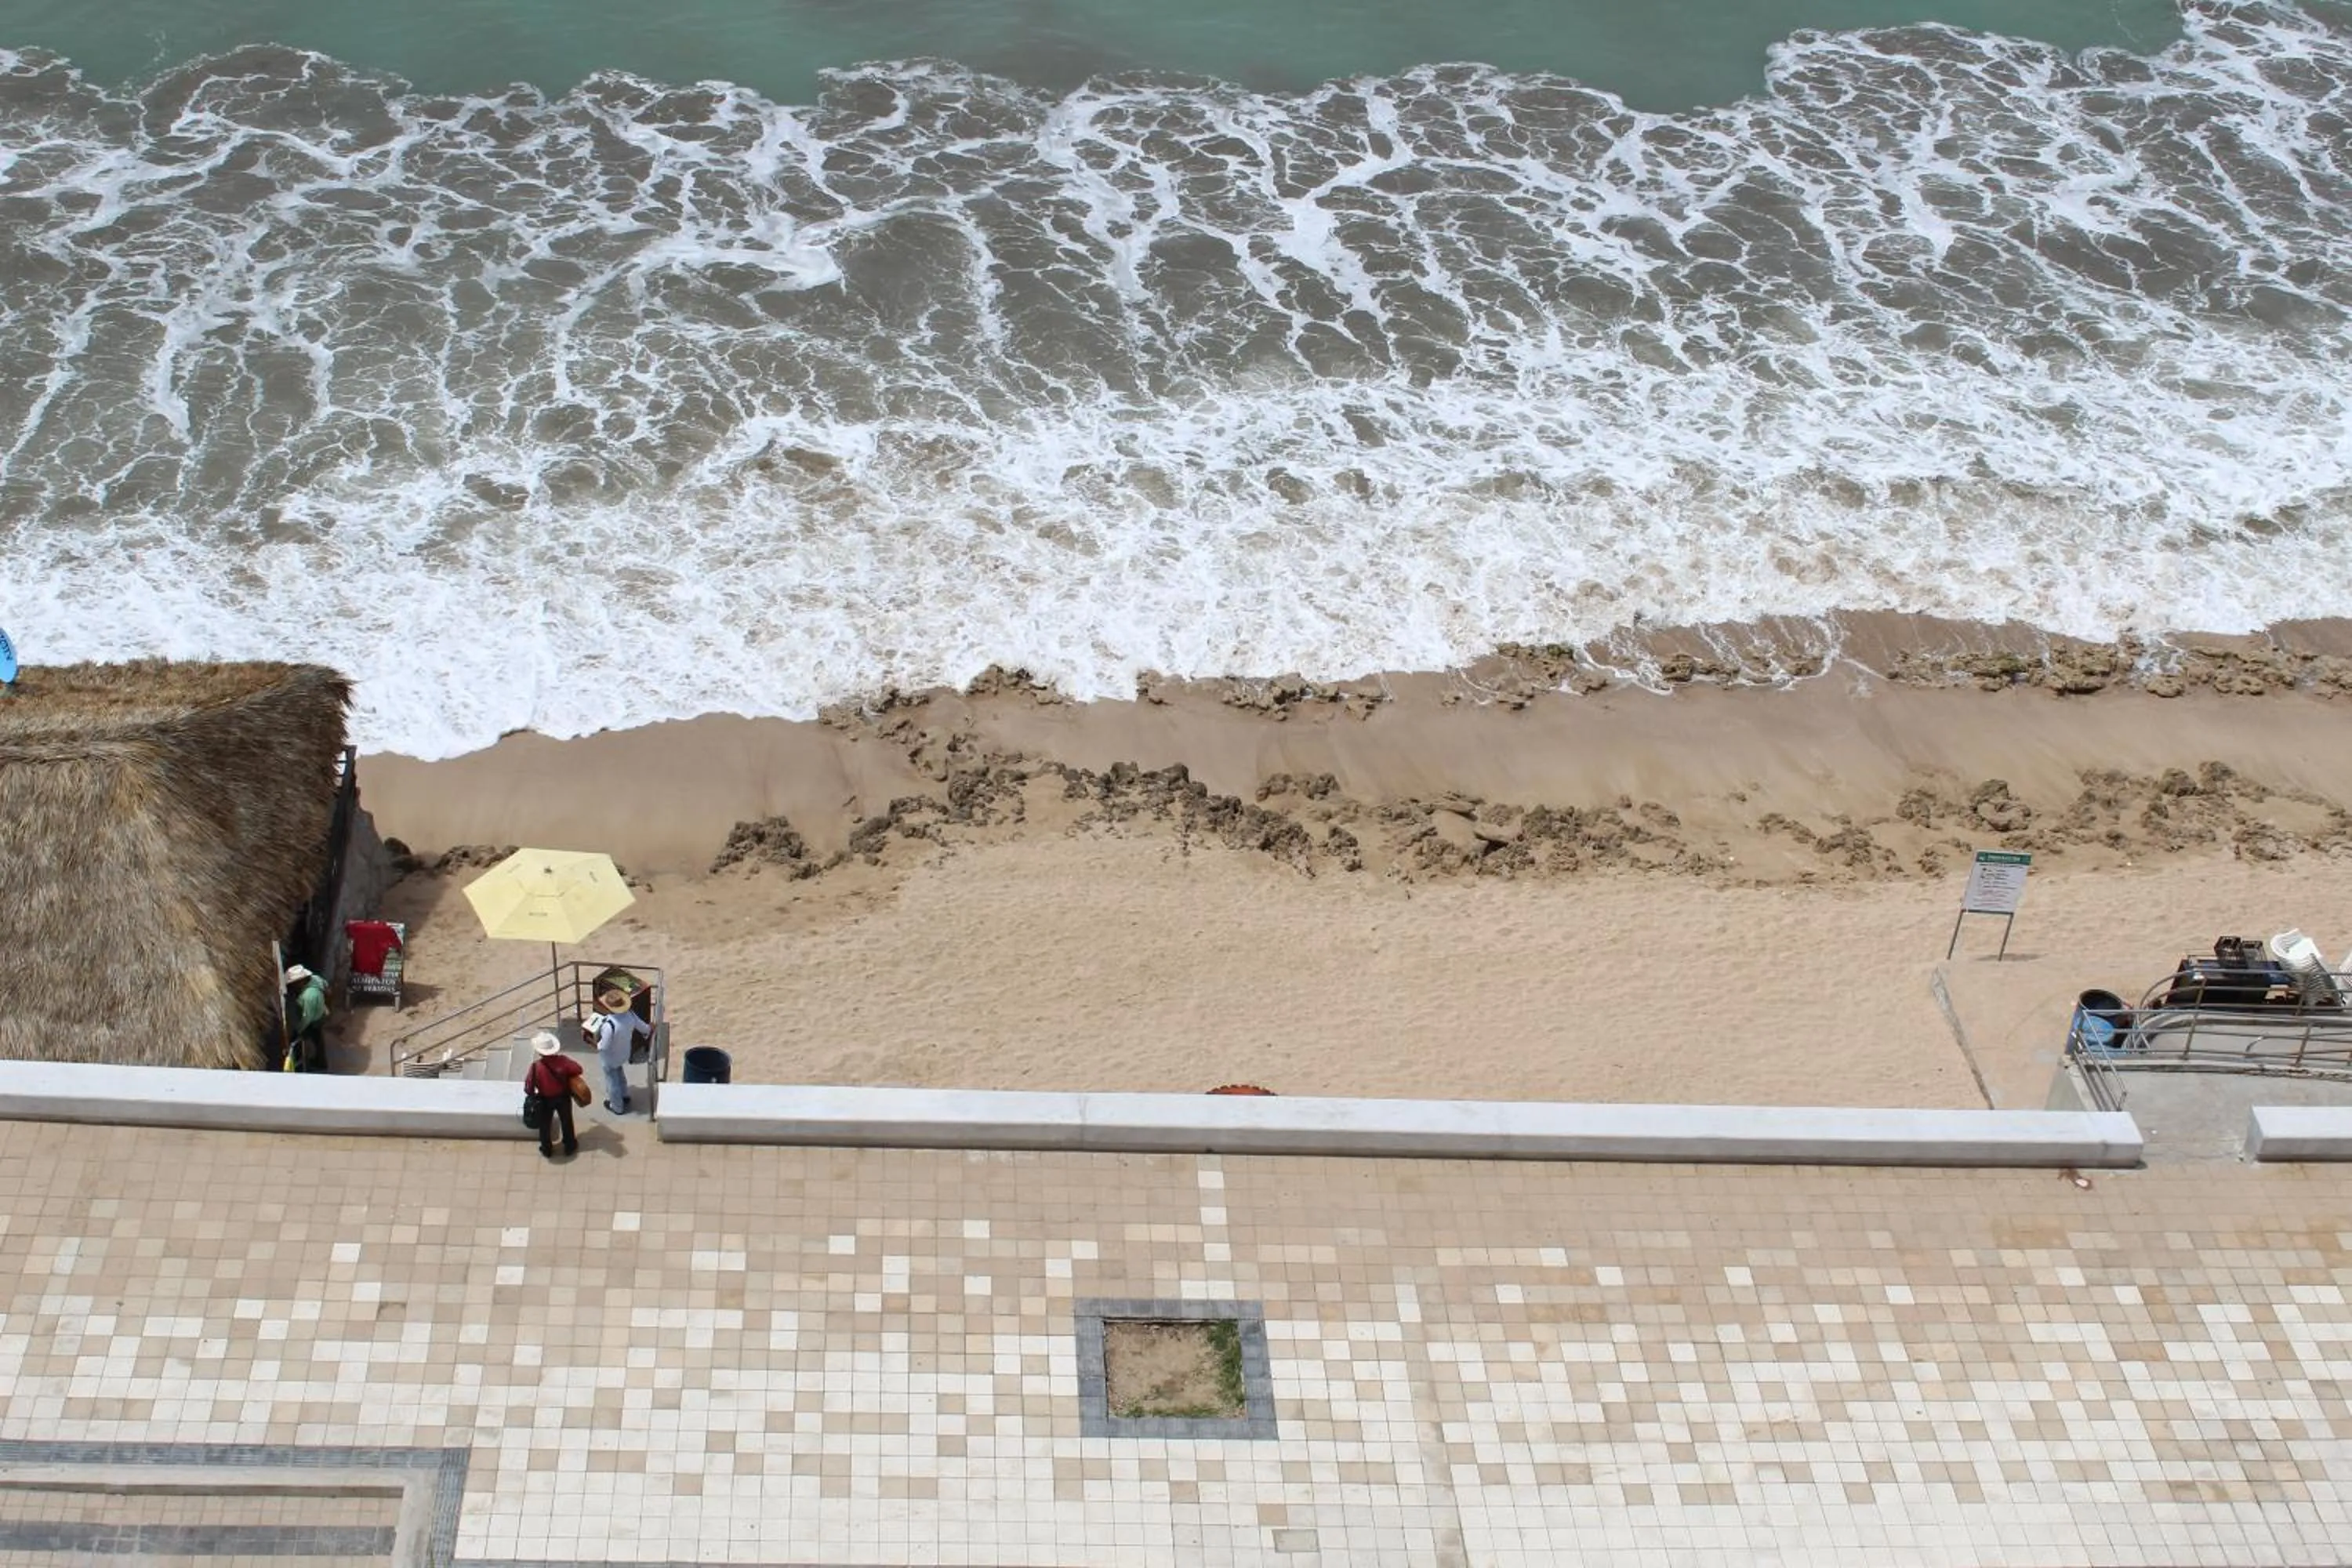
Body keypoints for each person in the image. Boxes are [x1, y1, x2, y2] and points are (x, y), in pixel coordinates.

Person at [586, 989, 650, 1114]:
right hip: (624, 1053)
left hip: (610, 1058)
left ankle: (617, 1106)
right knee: (620, 1072)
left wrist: (590, 1041)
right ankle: (625, 1095)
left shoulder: (609, 1025)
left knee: (612, 1080)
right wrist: (651, 1027)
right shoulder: (631, 1015)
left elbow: (603, 1046)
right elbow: (645, 1028)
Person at [524, 1031, 584, 1160]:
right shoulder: (563, 1061)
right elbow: (579, 1069)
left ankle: (546, 1149)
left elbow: (529, 1087)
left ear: (540, 1051)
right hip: (563, 1097)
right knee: (567, 1121)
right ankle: (569, 1145)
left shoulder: (535, 1067)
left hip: (545, 1099)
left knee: (545, 1125)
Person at [282, 964, 328, 1073]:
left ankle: (317, 1063)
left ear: (301, 981)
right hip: (320, 1012)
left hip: (315, 1020)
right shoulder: (316, 979)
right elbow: (326, 984)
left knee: (312, 1038)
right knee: (319, 1041)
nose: (293, 985)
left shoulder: (309, 996)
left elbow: (307, 1018)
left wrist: (298, 1030)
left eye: (294, 983)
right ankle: (320, 1061)